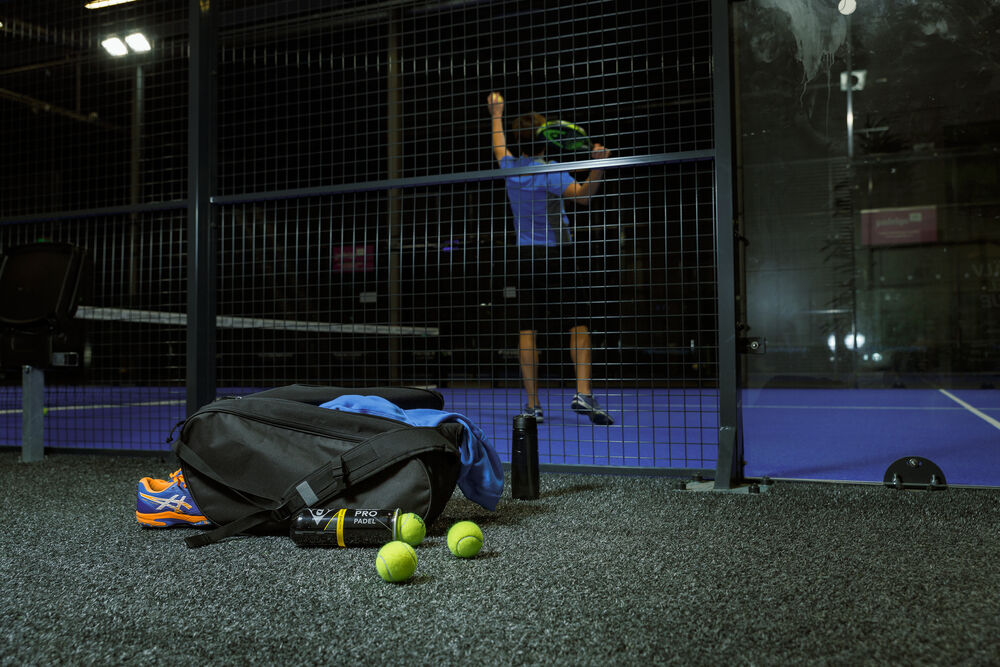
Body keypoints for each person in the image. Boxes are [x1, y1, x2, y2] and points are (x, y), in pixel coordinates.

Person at [487, 91, 613, 425]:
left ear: (519, 141)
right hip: (559, 254)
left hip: (526, 257)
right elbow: (584, 197)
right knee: (578, 323)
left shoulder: (509, 168)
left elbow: (499, 145)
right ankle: (583, 393)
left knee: (527, 329)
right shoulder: (553, 171)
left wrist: (496, 113)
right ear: (547, 141)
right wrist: (598, 165)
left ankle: (533, 405)